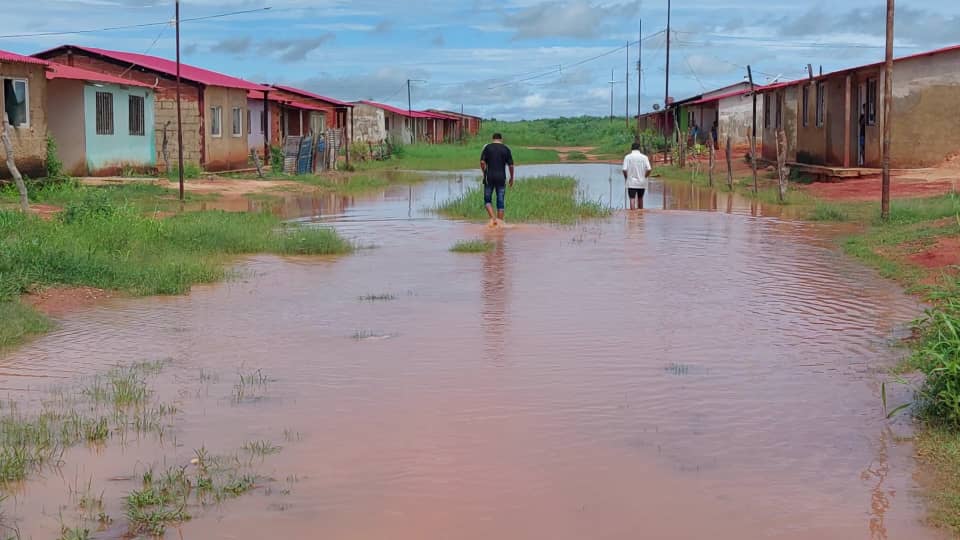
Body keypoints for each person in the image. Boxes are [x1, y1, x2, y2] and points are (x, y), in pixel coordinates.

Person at [480, 133, 514, 227]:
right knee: (500, 202)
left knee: (487, 200)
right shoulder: (506, 149)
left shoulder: (487, 147)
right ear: (501, 139)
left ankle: (493, 219)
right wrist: (511, 177)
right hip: (501, 178)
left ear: (493, 139)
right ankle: (500, 224)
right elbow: (511, 165)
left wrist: (484, 172)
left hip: (489, 177)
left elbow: (482, 162)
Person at [622, 142, 652, 210]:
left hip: (631, 182)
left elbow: (624, 169)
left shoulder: (627, 157)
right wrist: (645, 176)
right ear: (639, 149)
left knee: (632, 198)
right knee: (640, 198)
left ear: (631, 148)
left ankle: (632, 215)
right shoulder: (644, 157)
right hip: (642, 182)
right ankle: (640, 215)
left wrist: (626, 177)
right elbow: (649, 169)